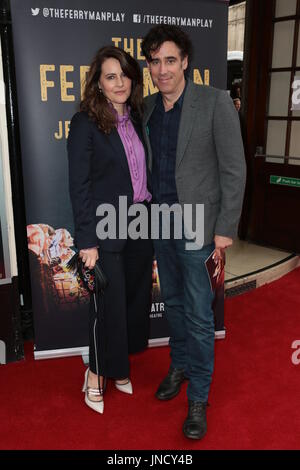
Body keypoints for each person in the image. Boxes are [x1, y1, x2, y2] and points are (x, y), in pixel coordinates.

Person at [141, 25, 246, 439]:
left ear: (185, 62)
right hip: (161, 227)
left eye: (170, 60)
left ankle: (199, 397)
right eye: (155, 61)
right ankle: (180, 364)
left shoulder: (215, 102)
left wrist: (224, 230)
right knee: (175, 304)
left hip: (199, 230)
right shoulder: (147, 107)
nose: (162, 69)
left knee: (201, 317)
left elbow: (234, 170)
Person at [67, 46, 153, 414]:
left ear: (133, 78)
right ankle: (95, 372)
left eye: (124, 75)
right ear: (98, 84)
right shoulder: (85, 122)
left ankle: (119, 368)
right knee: (107, 305)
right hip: (105, 227)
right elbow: (79, 185)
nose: (119, 82)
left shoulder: (138, 116)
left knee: (134, 300)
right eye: (110, 76)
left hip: (141, 221)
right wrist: (87, 240)